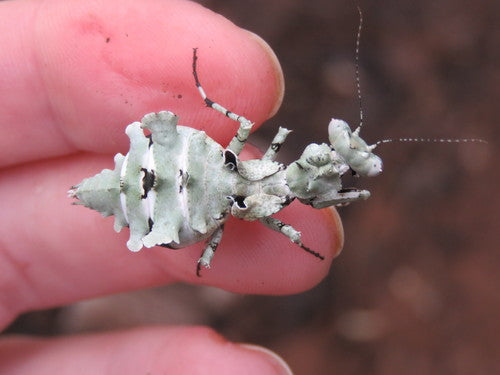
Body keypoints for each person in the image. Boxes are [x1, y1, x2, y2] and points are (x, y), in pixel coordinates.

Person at [0, 0, 343, 373]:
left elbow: (258, 169)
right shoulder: (255, 192)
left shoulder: (259, 194)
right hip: (171, 183)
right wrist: (296, 240)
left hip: (177, 189)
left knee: (242, 127)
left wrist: (295, 239)